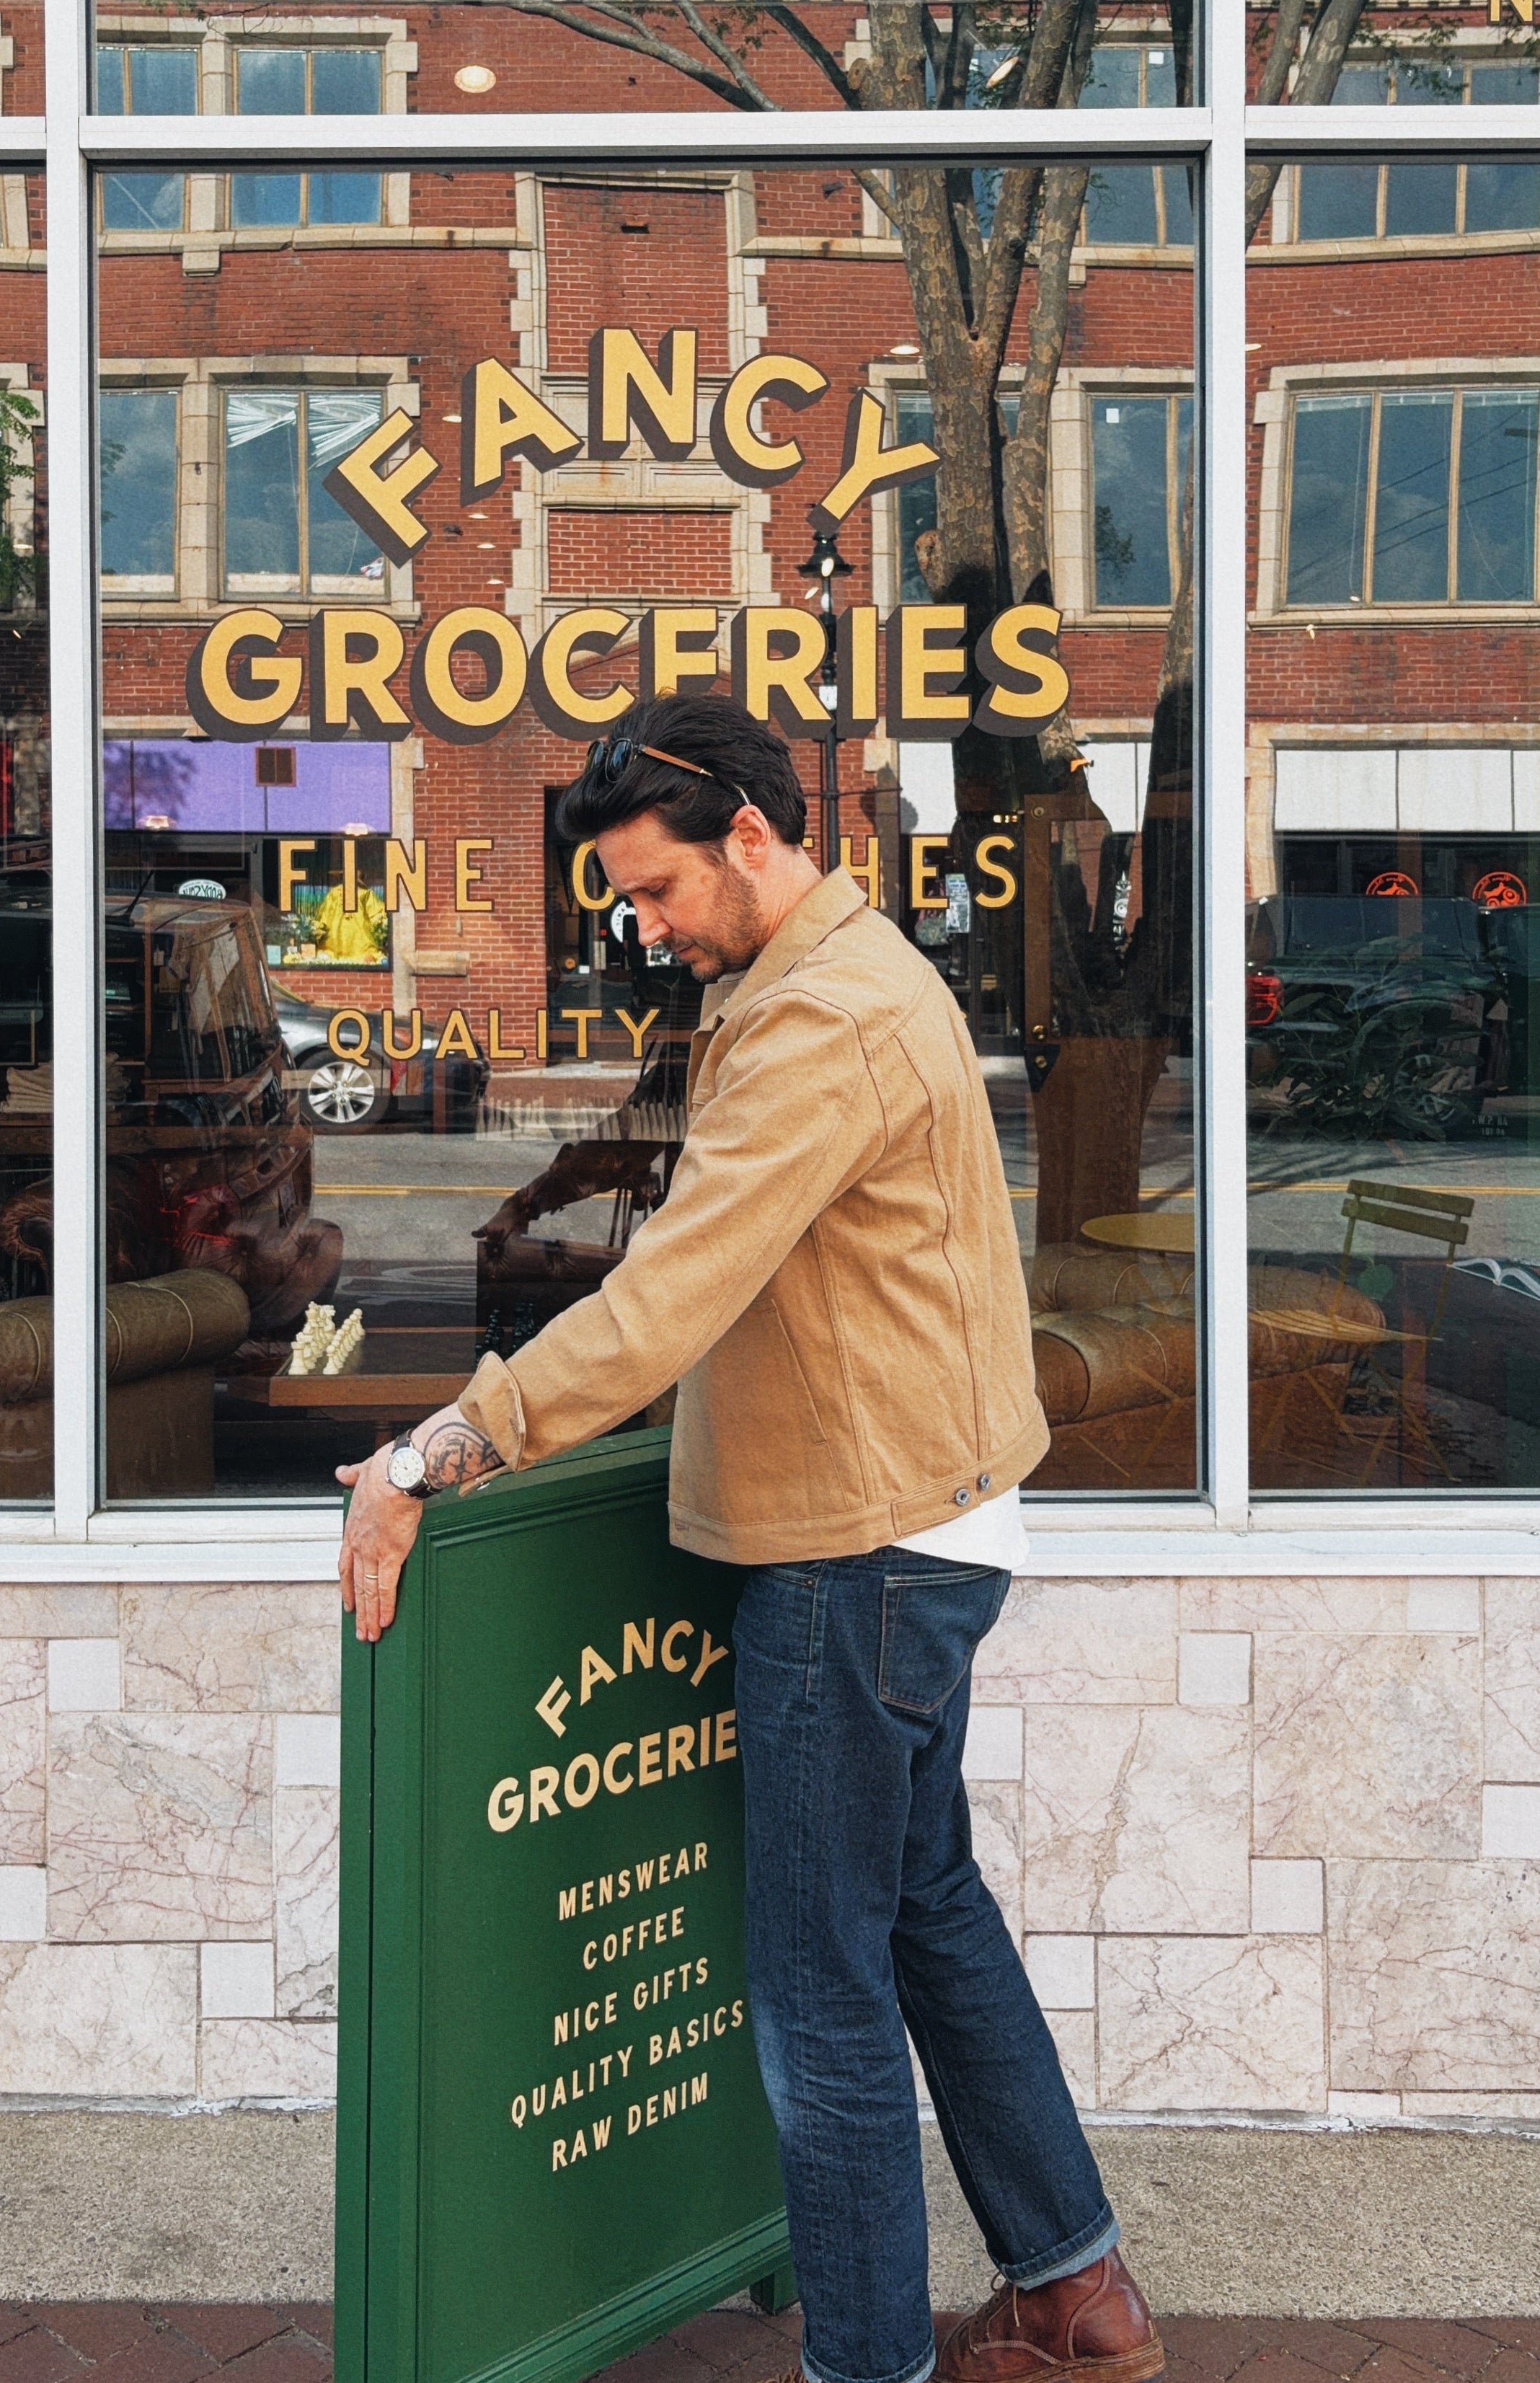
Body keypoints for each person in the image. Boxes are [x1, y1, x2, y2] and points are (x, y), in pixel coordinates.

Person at [336, 692, 1164, 2383]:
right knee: (923, 1908)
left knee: (816, 1999)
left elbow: (673, 1293)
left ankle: (867, 2366)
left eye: (656, 891)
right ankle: (1075, 2294)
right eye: (625, 901)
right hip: (918, 1527)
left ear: (756, 839)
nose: (642, 927)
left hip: (851, 1557)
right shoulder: (809, 983)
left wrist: (442, 1443)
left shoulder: (817, 1023)